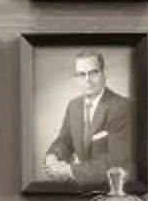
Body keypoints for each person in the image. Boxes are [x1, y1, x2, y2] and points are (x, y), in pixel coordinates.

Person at [37, 49, 136, 186]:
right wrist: (52, 157)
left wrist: (69, 171)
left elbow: (116, 161)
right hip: (82, 189)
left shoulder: (122, 107)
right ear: (76, 78)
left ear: (104, 72)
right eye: (81, 74)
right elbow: (64, 141)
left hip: (113, 190)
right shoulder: (73, 106)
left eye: (93, 72)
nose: (87, 80)